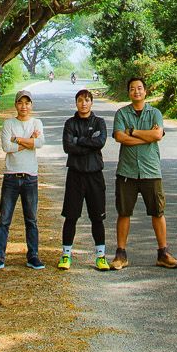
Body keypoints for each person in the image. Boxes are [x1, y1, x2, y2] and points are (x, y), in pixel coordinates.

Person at [112, 76, 177, 270]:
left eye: (140, 88)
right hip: (127, 171)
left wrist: (132, 132)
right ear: (129, 92)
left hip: (151, 170)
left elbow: (158, 134)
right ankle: (121, 254)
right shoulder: (121, 113)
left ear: (145, 91)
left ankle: (163, 253)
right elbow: (119, 137)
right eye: (132, 89)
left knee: (158, 212)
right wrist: (146, 137)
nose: (136, 91)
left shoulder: (155, 112)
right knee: (124, 212)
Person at [0, 89, 44, 270]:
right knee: (4, 219)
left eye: (27, 103)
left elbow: (40, 143)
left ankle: (33, 255)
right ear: (16, 105)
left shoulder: (37, 122)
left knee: (31, 219)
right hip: (11, 176)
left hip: (30, 177)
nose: (23, 106)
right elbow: (6, 146)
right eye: (20, 103)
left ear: (31, 105)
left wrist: (17, 140)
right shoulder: (9, 123)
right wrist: (28, 141)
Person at [59, 87, 110, 269]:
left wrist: (79, 140)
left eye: (87, 100)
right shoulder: (70, 123)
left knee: (97, 217)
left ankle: (101, 256)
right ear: (76, 103)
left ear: (91, 102)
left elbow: (100, 142)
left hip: (95, 175)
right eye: (80, 100)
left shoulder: (99, 122)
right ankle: (66, 255)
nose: (83, 103)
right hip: (75, 174)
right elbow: (67, 147)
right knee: (71, 216)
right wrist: (89, 143)